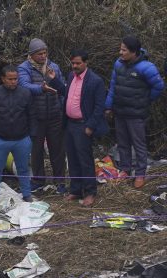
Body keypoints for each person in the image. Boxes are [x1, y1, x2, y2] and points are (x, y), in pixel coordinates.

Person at [105, 35, 165, 188]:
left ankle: (140, 174)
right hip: (120, 111)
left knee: (139, 145)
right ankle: (125, 170)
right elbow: (113, 86)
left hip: (136, 114)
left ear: (134, 52)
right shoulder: (118, 64)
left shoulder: (147, 67)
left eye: (124, 50)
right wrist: (108, 106)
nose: (120, 52)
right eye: (120, 49)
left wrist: (145, 101)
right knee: (123, 143)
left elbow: (158, 87)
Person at [18, 38, 67, 191]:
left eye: (45, 52)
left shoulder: (54, 67)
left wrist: (62, 107)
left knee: (57, 149)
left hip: (54, 114)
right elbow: (24, 86)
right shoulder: (24, 68)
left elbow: (63, 86)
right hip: (35, 116)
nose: (43, 56)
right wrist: (42, 88)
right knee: (36, 150)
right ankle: (38, 180)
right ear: (31, 55)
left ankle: (60, 181)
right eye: (39, 53)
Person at [0, 65, 35, 203]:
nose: (13, 82)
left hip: (22, 139)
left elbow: (32, 115)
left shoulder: (25, 93)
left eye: (15, 79)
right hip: (0, 140)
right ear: (3, 79)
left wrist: (31, 136)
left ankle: (26, 194)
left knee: (23, 168)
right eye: (10, 79)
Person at [63, 50, 109, 206]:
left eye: (78, 63)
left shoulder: (95, 81)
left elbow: (99, 106)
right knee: (73, 158)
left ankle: (90, 192)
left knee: (85, 160)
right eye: (73, 63)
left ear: (86, 62)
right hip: (70, 123)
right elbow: (66, 95)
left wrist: (90, 126)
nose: (75, 66)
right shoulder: (71, 76)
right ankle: (76, 190)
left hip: (83, 125)